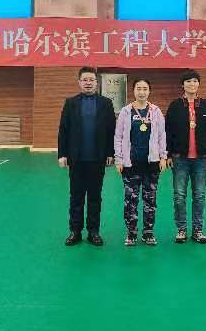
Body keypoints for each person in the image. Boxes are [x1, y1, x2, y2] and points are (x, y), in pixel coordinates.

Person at [58, 67, 116, 247]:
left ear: (97, 83)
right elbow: (63, 130)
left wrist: (110, 153)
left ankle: (93, 231)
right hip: (76, 159)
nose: (88, 83)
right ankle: (75, 231)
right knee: (76, 196)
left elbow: (111, 130)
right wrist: (62, 154)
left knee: (94, 197)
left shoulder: (106, 103)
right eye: (85, 80)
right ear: (79, 82)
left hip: (97, 158)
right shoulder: (70, 103)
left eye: (91, 80)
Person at [165, 69, 206, 244]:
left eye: (195, 81)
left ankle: (197, 230)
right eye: (188, 81)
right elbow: (168, 131)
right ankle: (181, 229)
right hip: (179, 158)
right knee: (179, 195)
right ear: (183, 85)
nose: (192, 84)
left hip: (201, 159)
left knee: (199, 195)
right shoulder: (175, 106)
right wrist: (168, 154)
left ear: (199, 84)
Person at [114, 79, 167, 246]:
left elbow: (162, 136)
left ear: (149, 91)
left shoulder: (156, 111)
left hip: (151, 163)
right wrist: (119, 159)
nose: (142, 92)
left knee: (150, 200)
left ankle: (148, 232)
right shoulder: (125, 111)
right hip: (131, 164)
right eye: (139, 88)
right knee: (131, 200)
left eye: (145, 89)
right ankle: (131, 233)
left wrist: (163, 157)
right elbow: (118, 137)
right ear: (133, 91)